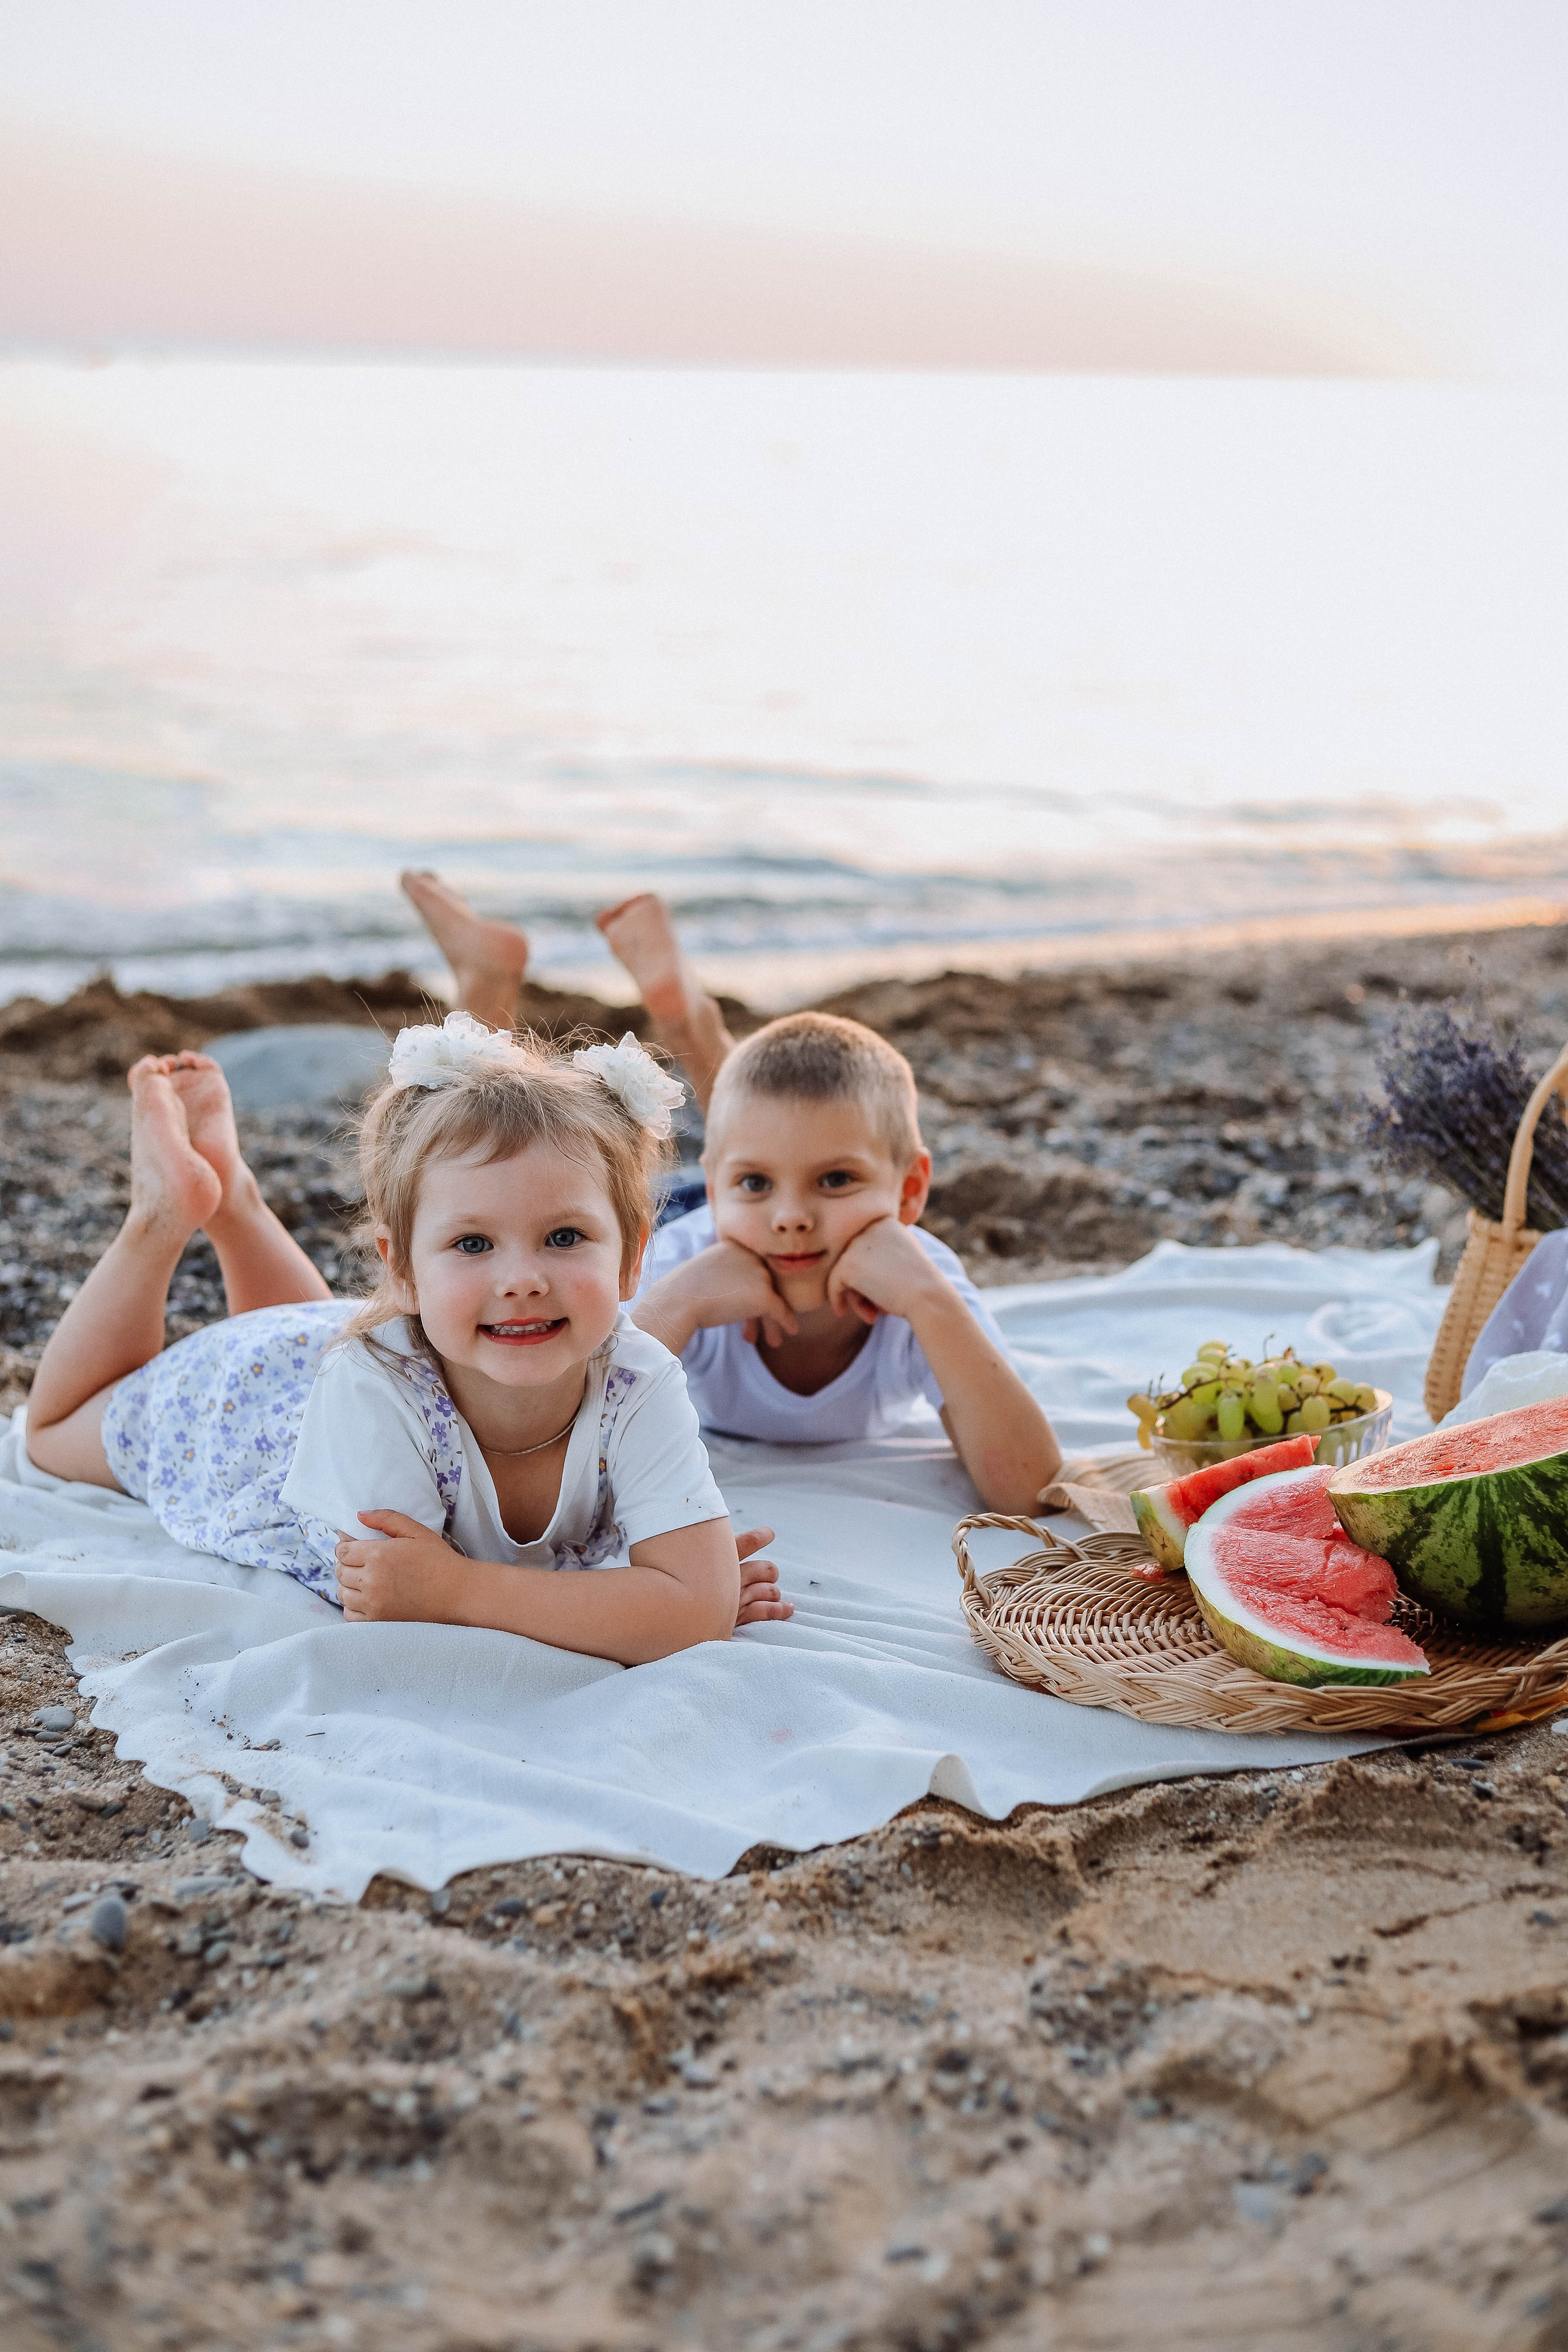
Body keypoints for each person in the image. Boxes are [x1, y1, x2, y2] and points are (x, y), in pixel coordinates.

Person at [24, 1021, 788, 1658]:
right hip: (244, 1403)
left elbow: (688, 1609)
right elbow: (407, 1598)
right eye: (472, 1244)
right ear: (403, 1271)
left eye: (563, 1235)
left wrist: (471, 1587)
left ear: (630, 1257)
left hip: (347, 1361)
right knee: (52, 1434)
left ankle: (237, 1199)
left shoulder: (639, 1376)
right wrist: (640, 1598)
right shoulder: (367, 1387)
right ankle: (166, 1212)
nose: (521, 1278)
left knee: (326, 1348)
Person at [399, 875, 1060, 1509]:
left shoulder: (921, 1278)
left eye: (838, 1180)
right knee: (492, 1165)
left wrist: (928, 1302)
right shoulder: (675, 1264)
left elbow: (1027, 1488)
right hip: (692, 1218)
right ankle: (493, 986)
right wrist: (679, 1304)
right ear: (715, 1186)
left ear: (911, 1191)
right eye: (753, 1184)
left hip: (726, 1204)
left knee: (767, 1137)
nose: (794, 1220)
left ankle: (689, 1020)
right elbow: (560, 1440)